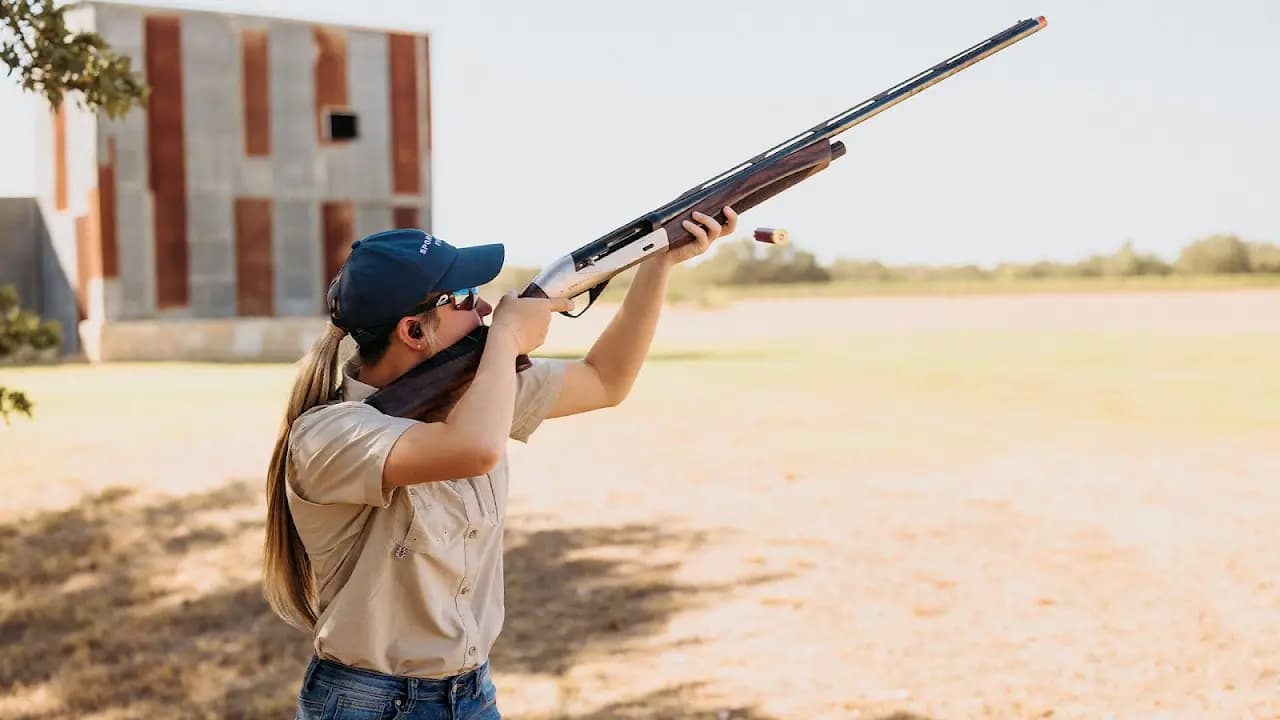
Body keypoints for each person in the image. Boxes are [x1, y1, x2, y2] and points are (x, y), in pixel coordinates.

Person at [263, 207, 738, 720]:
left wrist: (656, 264)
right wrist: (507, 340)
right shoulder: (327, 434)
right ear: (413, 331)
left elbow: (606, 380)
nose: (487, 306)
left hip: (471, 694)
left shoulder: (473, 392)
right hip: (370, 704)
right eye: (465, 298)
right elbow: (474, 449)